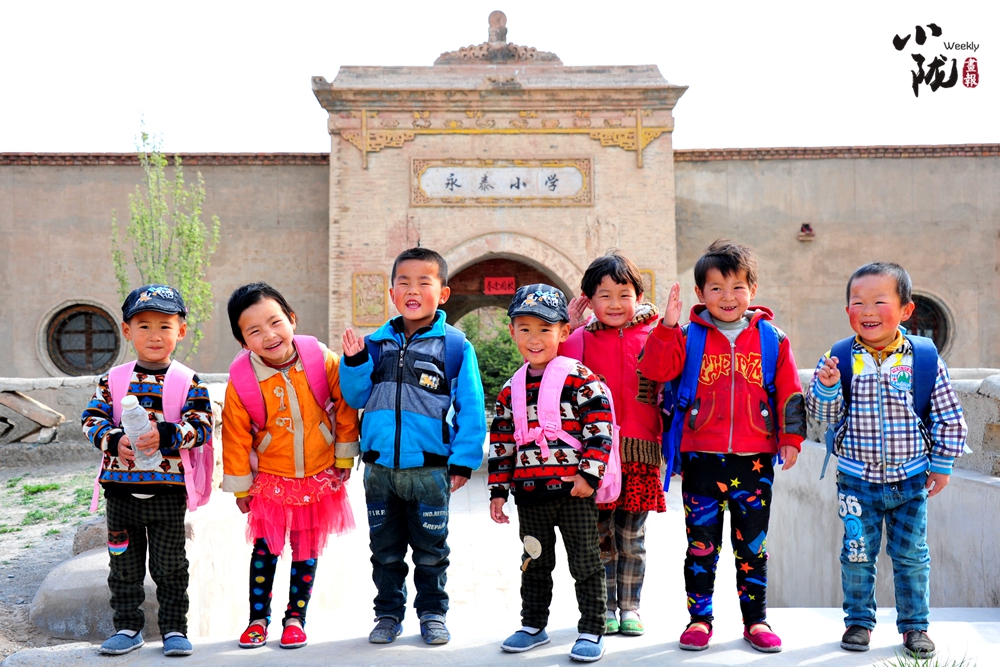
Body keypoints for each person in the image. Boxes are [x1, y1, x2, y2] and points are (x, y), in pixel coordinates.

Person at [638, 239, 806, 653]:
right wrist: (667, 327)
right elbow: (655, 369)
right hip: (701, 459)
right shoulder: (687, 336)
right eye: (716, 288)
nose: (727, 297)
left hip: (754, 462)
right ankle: (700, 620)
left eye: (737, 287)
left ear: (752, 289)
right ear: (700, 293)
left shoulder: (772, 338)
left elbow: (789, 391)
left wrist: (791, 439)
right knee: (702, 546)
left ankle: (756, 621)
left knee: (753, 548)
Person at [805, 262, 967, 660]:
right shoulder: (839, 358)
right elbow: (822, 415)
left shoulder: (923, 359)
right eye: (857, 302)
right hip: (856, 481)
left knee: (912, 557)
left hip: (910, 480)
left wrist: (942, 463)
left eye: (880, 301)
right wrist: (827, 388)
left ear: (906, 309)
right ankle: (859, 622)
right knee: (857, 555)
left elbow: (949, 415)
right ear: (847, 310)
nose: (868, 311)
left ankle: (915, 626)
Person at [340, 247, 487, 646]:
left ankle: (432, 613)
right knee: (384, 551)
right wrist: (353, 361)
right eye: (403, 282)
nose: (412, 290)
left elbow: (471, 407)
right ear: (392, 293)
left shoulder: (455, 346)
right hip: (380, 471)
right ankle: (388, 614)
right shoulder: (375, 345)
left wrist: (463, 462)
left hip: (429, 471)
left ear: (443, 293)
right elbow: (356, 397)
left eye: (424, 282)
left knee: (431, 551)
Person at [221, 282, 359, 650]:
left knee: (306, 549)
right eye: (254, 331)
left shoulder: (322, 360)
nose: (269, 335)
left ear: (292, 319)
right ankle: (257, 620)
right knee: (265, 550)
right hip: (271, 478)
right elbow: (235, 435)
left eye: (275, 322)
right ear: (242, 341)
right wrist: (240, 487)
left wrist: (344, 455)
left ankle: (296, 619)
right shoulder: (242, 381)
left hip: (319, 473)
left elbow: (344, 405)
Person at [81, 284, 213, 657]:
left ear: (181, 331)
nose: (155, 335)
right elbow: (91, 419)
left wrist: (168, 434)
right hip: (120, 494)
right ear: (127, 331)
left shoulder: (188, 381)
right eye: (144, 326)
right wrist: (113, 439)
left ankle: (174, 629)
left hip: (168, 494)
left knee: (170, 566)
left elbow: (202, 426)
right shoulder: (112, 380)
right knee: (122, 565)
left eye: (164, 326)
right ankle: (127, 627)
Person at [489, 283, 613, 663]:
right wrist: (498, 492)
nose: (534, 338)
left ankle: (592, 628)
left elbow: (600, 428)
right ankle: (532, 625)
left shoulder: (580, 378)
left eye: (545, 329)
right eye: (525, 328)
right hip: (530, 496)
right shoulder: (510, 390)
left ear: (563, 332)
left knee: (585, 562)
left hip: (574, 493)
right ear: (512, 332)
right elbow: (502, 443)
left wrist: (589, 476)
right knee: (534, 562)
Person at [563, 252, 664, 637]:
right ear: (589, 301)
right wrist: (570, 329)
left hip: (639, 454)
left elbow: (672, 369)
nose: (616, 303)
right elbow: (558, 372)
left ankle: (631, 607)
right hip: (595, 457)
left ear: (639, 295)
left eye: (624, 294)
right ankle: (603, 606)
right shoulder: (580, 339)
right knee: (598, 538)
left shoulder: (655, 335)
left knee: (632, 538)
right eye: (604, 295)